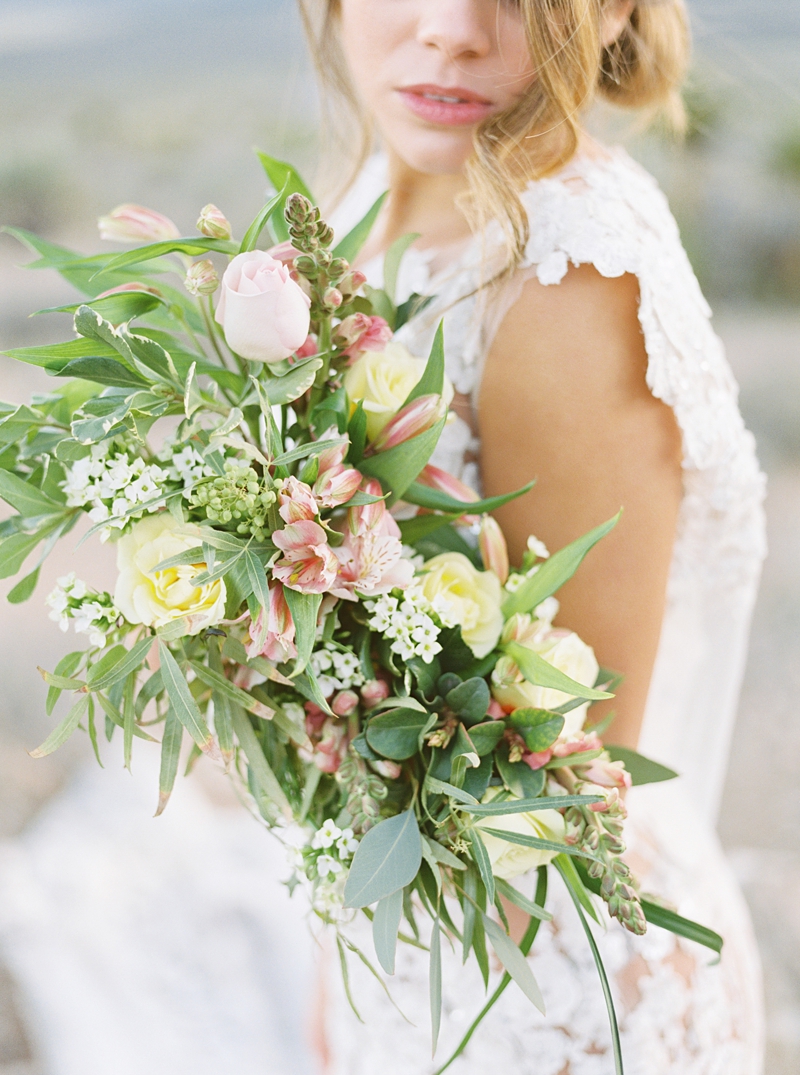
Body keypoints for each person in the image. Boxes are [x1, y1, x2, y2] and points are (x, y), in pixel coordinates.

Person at [298, 1, 768, 1072]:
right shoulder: (383, 189)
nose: (451, 30)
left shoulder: (565, 278)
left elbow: (564, 768)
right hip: (416, 921)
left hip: (550, 984)